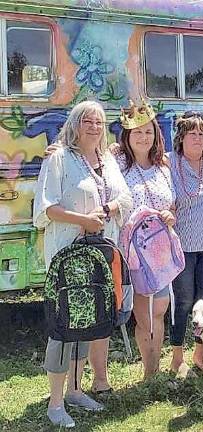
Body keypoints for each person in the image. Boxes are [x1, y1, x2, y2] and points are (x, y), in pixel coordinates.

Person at [33, 101, 132, 428]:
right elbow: (46, 209)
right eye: (87, 121)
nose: (94, 127)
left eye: (99, 122)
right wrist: (84, 220)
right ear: (74, 125)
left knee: (89, 320)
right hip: (68, 256)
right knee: (64, 325)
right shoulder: (59, 158)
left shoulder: (109, 161)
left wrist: (114, 204)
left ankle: (76, 389)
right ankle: (56, 402)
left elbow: (127, 199)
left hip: (101, 255)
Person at [116, 100, 176, 379]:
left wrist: (170, 214)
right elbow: (85, 154)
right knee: (144, 313)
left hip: (160, 252)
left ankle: (155, 370)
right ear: (127, 136)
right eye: (137, 132)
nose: (143, 137)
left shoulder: (163, 165)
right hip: (133, 252)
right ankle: (149, 370)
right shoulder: (116, 162)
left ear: (156, 135)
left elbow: (172, 203)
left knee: (159, 310)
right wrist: (57, 149)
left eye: (148, 131)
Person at [168, 111, 203, 374]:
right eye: (192, 133)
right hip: (181, 248)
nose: (198, 138)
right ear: (181, 137)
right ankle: (177, 356)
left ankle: (201, 355)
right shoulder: (169, 163)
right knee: (183, 302)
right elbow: (131, 158)